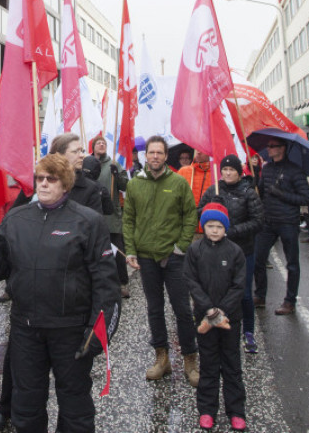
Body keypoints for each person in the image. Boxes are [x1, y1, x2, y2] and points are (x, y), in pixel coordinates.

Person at [0, 153, 121, 433]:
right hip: (26, 330)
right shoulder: (17, 218)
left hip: (71, 331)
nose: (43, 184)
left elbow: (106, 283)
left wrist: (98, 333)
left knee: (75, 407)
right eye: (39, 178)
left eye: (51, 179)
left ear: (65, 184)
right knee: (25, 407)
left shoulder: (88, 221)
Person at [123, 135, 200, 386]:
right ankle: (162, 358)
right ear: (146, 156)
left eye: (160, 153)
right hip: (146, 258)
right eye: (151, 153)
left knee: (182, 311)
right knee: (154, 310)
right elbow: (129, 219)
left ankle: (190, 359)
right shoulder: (135, 184)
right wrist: (131, 250)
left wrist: (181, 247)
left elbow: (190, 216)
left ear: (166, 156)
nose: (155, 156)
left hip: (174, 257)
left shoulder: (178, 183)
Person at [184, 203, 247, 431]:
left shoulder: (235, 252)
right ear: (203, 226)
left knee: (232, 364)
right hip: (205, 316)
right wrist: (209, 310)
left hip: (230, 317)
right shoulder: (195, 250)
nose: (214, 230)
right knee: (209, 364)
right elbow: (191, 281)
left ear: (226, 228)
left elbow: (239, 285)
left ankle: (236, 411)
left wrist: (222, 311)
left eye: (219, 226)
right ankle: (207, 410)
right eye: (210, 225)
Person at [198, 154, 263, 354]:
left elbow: (258, 221)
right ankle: (217, 324)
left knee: (243, 293)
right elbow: (199, 212)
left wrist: (232, 231)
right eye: (224, 170)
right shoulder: (214, 189)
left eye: (231, 170)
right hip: (216, 252)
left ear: (239, 172)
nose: (227, 173)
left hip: (243, 251)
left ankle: (248, 331)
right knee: (216, 291)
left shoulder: (248, 192)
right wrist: (211, 207)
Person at [253, 136, 309, 316]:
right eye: (268, 146)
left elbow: (305, 198)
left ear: (282, 148)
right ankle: (260, 295)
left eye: (272, 146)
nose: (268, 149)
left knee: (292, 263)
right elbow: (261, 191)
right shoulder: (267, 168)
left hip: (288, 222)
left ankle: (290, 301)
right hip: (267, 221)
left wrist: (281, 194)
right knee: (257, 259)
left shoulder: (295, 171)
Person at [91, 135, 130, 298]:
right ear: (92, 147)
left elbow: (125, 186)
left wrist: (118, 175)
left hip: (112, 216)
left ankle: (122, 283)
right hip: (93, 214)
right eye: (98, 143)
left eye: (104, 143)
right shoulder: (88, 164)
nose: (101, 144)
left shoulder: (114, 164)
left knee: (118, 251)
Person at [49, 133, 102, 213]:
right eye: (75, 152)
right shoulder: (41, 182)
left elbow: (95, 223)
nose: (82, 155)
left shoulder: (90, 188)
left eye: (82, 151)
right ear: (59, 155)